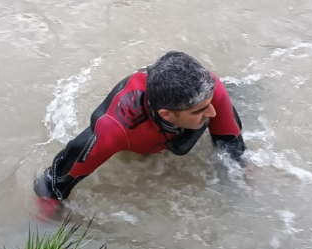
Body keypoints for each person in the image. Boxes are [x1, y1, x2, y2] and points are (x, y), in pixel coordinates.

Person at [34, 51, 248, 218]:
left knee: (241, 98)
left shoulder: (212, 88)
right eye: (201, 110)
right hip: (142, 127)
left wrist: (242, 194)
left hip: (173, 114)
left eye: (209, 104)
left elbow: (232, 150)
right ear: (167, 115)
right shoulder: (114, 129)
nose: (212, 113)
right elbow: (51, 184)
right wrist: (48, 223)